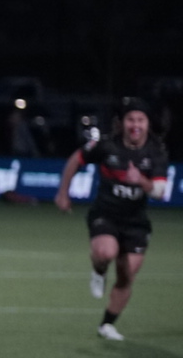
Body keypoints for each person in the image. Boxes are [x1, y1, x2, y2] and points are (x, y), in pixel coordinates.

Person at [53, 96, 169, 341]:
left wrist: (141, 181)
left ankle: (106, 325)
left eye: (140, 120)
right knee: (106, 252)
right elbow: (76, 159)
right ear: (122, 123)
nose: (135, 125)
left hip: (136, 222)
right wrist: (63, 193)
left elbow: (159, 192)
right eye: (130, 120)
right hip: (105, 214)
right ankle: (99, 270)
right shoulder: (107, 145)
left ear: (148, 124)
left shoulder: (156, 151)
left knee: (127, 276)